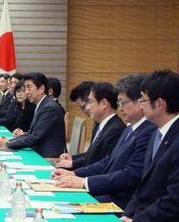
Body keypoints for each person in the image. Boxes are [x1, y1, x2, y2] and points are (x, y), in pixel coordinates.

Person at [52, 74, 155, 209]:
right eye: (119, 103)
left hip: (118, 201)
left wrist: (84, 182)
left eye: (123, 102)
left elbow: (130, 176)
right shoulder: (129, 129)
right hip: (106, 192)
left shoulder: (147, 132)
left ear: (140, 101)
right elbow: (108, 161)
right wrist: (74, 173)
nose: (120, 107)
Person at [121, 69, 179, 222]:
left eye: (143, 100)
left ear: (159, 103)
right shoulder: (156, 133)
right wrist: (127, 214)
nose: (140, 106)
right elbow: (143, 186)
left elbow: (173, 200)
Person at [57, 82, 125, 170]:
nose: (88, 108)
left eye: (90, 102)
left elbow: (103, 165)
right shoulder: (99, 125)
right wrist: (72, 159)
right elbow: (91, 154)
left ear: (104, 103)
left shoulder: (115, 130)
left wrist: (73, 172)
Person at [0, 73, 66, 158]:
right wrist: (10, 141)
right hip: (38, 151)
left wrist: (8, 143)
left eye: (29, 87)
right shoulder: (42, 105)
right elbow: (31, 133)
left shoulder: (49, 108)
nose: (26, 92)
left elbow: (35, 137)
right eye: (25, 88)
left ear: (41, 89)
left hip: (47, 157)